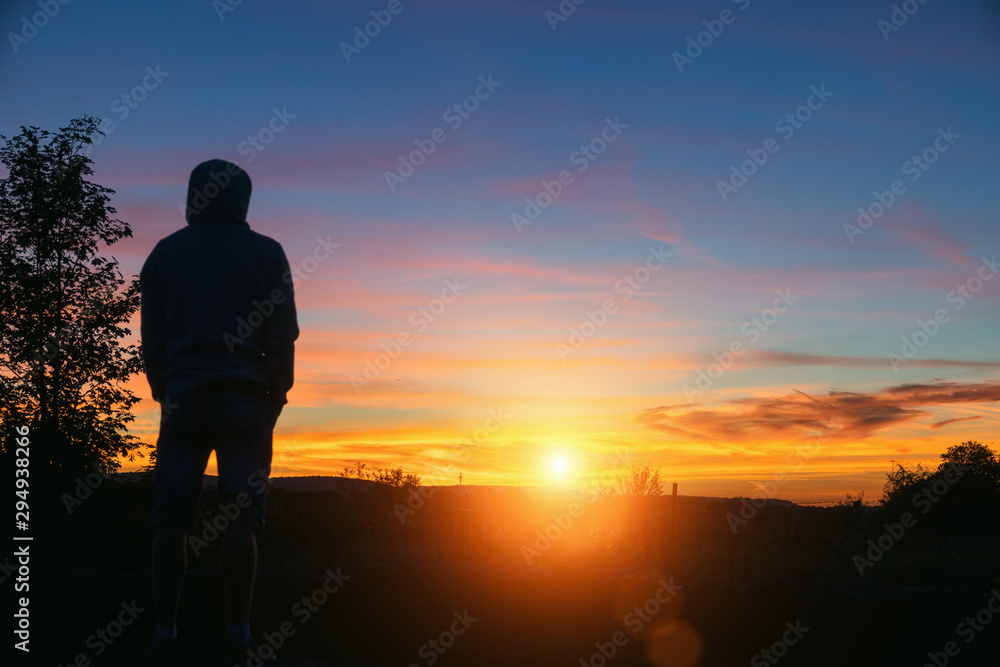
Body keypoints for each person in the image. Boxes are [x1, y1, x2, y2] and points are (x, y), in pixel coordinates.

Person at [139, 159, 298, 664]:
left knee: (171, 520)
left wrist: (165, 390)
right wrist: (275, 398)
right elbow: (283, 339)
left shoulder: (166, 254)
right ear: (242, 200)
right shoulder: (268, 254)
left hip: (184, 400)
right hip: (246, 401)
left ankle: (166, 634)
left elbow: (153, 338)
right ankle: (239, 634)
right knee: (242, 521)